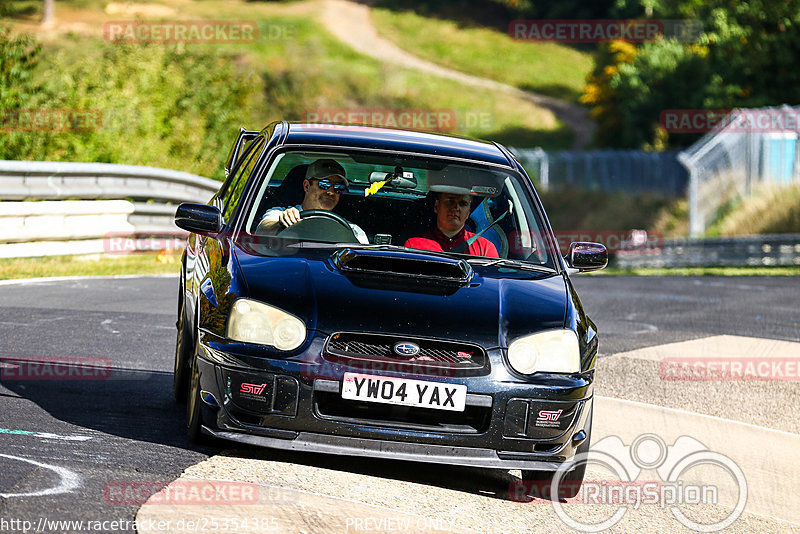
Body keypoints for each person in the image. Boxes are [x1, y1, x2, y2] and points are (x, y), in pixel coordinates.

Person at [258, 159, 368, 244]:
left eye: (338, 187)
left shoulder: (352, 230)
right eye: (324, 184)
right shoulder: (280, 214)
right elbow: (262, 231)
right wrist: (280, 224)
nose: (331, 192)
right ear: (306, 186)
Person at [404, 192, 499, 257]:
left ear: (468, 213)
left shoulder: (485, 249)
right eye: (450, 202)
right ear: (437, 206)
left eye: (463, 203)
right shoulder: (414, 246)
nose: (455, 208)